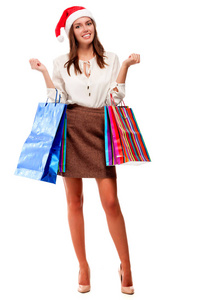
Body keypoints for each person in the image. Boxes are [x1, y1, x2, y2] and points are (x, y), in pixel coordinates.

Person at [29, 6, 140, 295]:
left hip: (100, 129)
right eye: (78, 26)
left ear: (94, 27)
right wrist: (43, 73)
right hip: (72, 129)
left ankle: (125, 265)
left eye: (88, 23)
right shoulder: (61, 62)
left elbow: (115, 99)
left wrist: (126, 66)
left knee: (111, 202)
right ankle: (83, 265)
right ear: (71, 32)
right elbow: (57, 99)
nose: (85, 28)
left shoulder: (112, 59)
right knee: (74, 202)